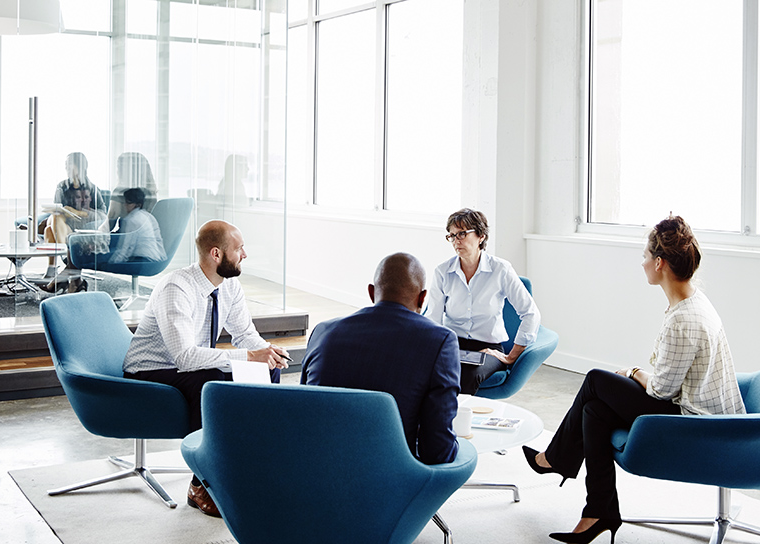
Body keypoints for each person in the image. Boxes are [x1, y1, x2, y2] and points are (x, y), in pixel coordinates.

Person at [522, 215, 746, 544]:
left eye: (645, 256)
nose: (642, 263)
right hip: (692, 408)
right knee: (595, 411)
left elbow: (661, 391)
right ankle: (599, 511)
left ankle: (557, 459)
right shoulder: (693, 301)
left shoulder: (684, 318)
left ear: (660, 263)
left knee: (597, 380)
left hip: (696, 424)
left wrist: (633, 372)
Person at [122, 219, 290, 517]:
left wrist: (267, 352)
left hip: (190, 365)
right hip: (151, 369)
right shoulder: (177, 288)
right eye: (239, 249)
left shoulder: (229, 285)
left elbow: (244, 335)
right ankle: (201, 484)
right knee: (211, 381)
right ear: (216, 254)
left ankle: (248, 464)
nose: (245, 255)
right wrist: (249, 357)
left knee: (267, 370)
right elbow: (185, 358)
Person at [301, 252, 461, 465]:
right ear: (422, 298)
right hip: (392, 479)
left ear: (371, 292)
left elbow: (303, 412)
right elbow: (437, 451)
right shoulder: (440, 340)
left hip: (316, 469)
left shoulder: (323, 332)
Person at [424, 208, 540, 395]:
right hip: (452, 344)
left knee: (469, 373)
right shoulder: (442, 271)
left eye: (462, 233)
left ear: (481, 236)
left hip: (488, 348)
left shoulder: (501, 269)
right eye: (452, 236)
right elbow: (433, 319)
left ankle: (456, 421)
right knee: (431, 371)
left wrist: (511, 356)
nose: (456, 240)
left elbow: (531, 313)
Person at [40, 152, 108, 290]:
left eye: (70, 164)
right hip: (64, 226)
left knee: (49, 229)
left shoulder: (92, 188)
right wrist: (65, 211)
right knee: (53, 220)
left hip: (83, 227)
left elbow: (102, 214)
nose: (66, 167)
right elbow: (57, 207)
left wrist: (79, 213)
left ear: (80, 166)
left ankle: (56, 270)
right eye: (66, 165)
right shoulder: (62, 186)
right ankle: (70, 265)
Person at [105, 187, 165, 264]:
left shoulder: (131, 220)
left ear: (138, 205)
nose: (124, 205)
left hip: (142, 260)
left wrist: (110, 264)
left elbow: (125, 249)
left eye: (128, 202)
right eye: (124, 202)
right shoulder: (148, 216)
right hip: (156, 259)